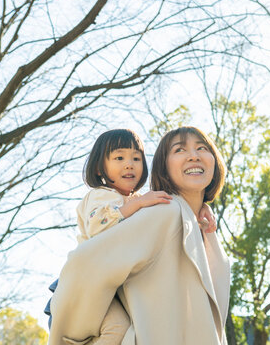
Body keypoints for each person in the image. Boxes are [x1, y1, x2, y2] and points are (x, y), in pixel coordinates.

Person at [49, 126, 230, 345]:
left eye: (202, 148)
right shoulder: (157, 211)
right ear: (162, 167)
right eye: (180, 150)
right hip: (96, 302)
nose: (194, 155)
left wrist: (201, 208)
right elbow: (85, 258)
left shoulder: (198, 226)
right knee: (116, 329)